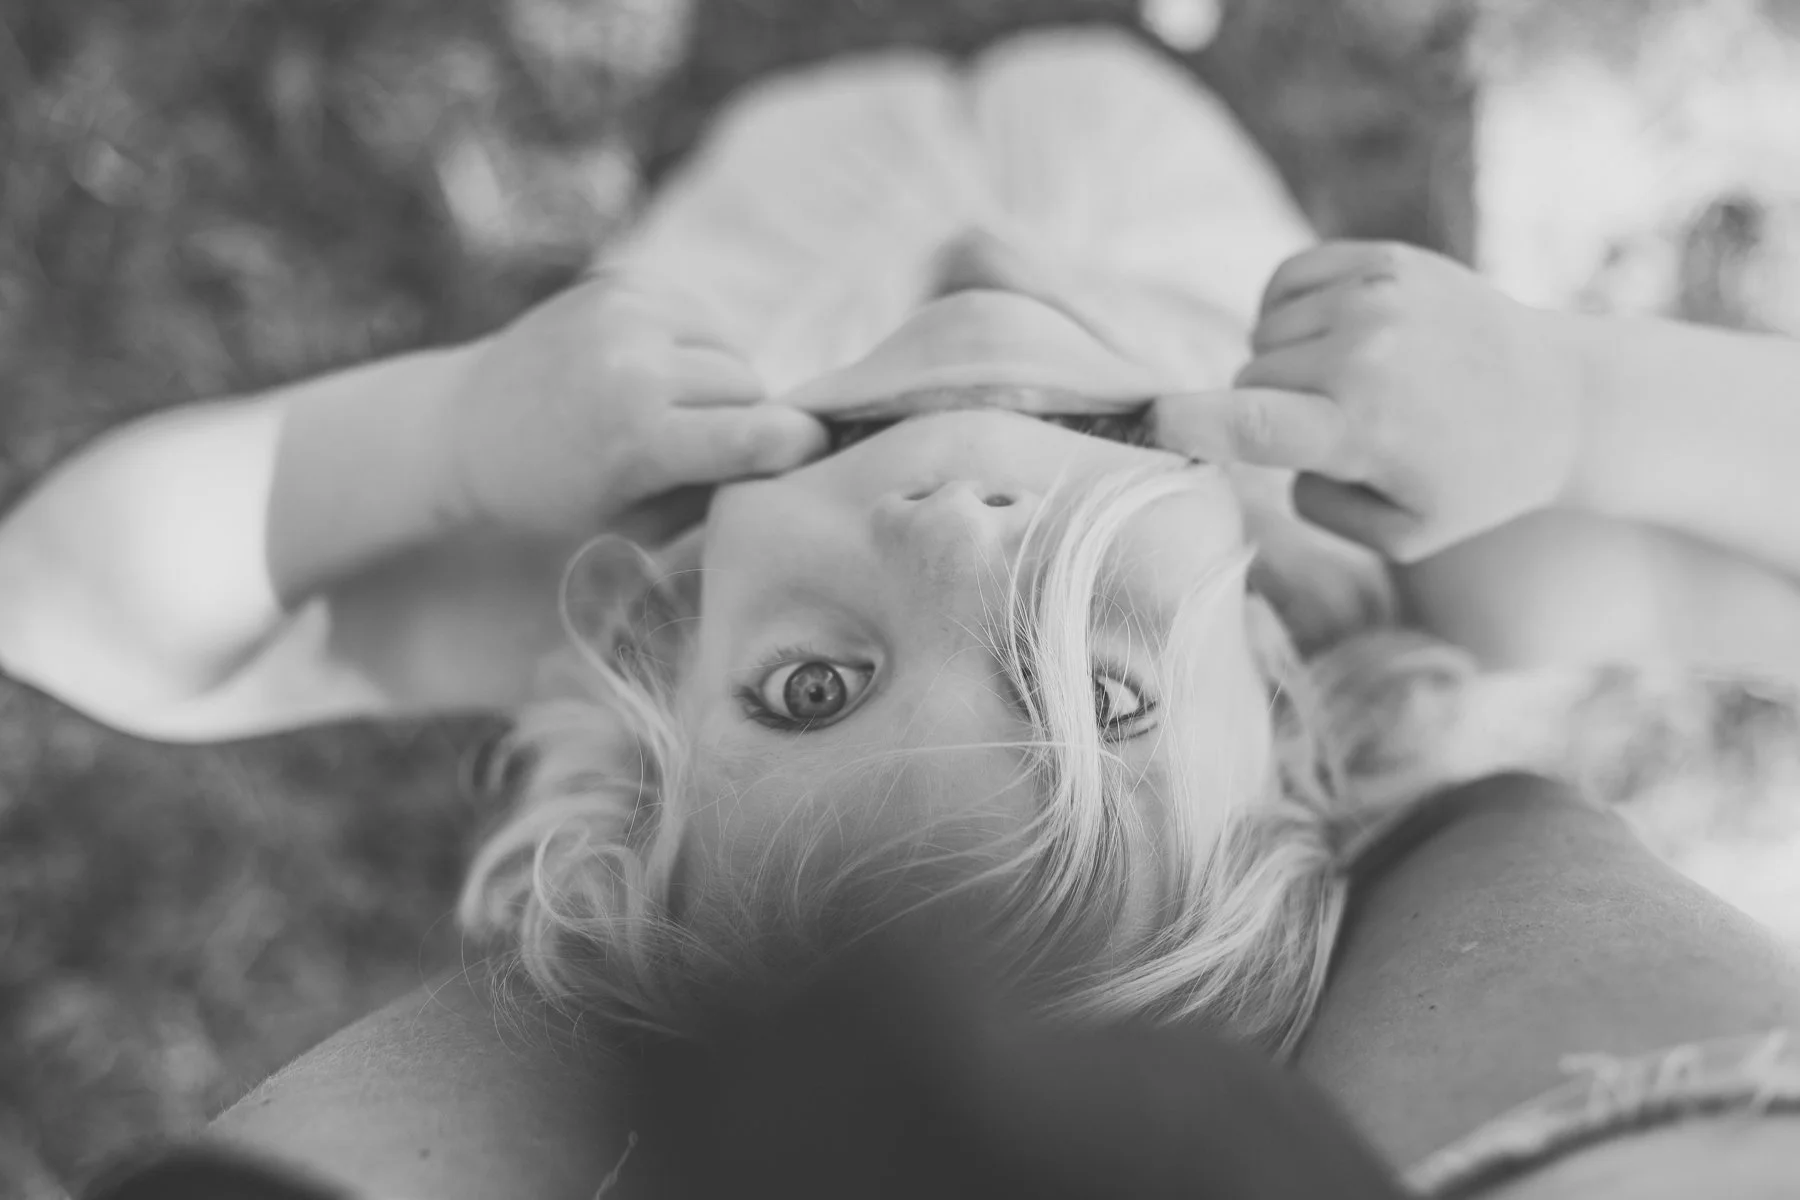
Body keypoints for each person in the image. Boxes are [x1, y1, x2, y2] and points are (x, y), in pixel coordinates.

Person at [6, 25, 1800, 1200]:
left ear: (664, 660)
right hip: (1141, 150)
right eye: (1105, 699)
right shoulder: (1374, 556)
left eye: (810, 690)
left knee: (788, 86)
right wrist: (1577, 403)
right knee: (1104, 64)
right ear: (1288, 692)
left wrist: (453, 434)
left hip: (793, 177)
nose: (955, 541)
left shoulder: (646, 538)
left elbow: (63, 600)